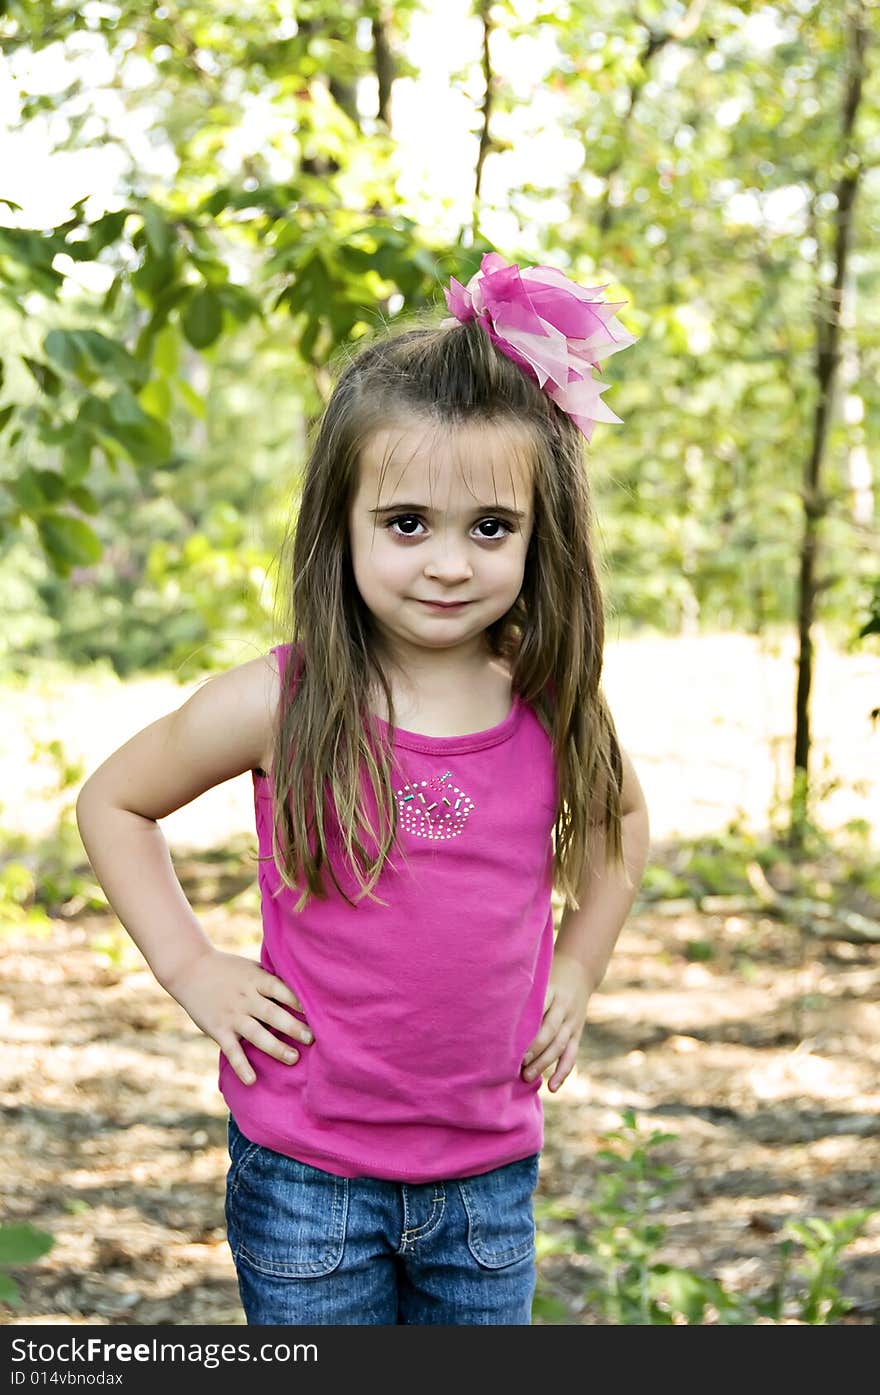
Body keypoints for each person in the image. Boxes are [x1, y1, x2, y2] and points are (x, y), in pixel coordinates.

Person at [76, 252, 651, 1326]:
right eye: (405, 524)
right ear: (340, 525)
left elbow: (619, 828)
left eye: (490, 528)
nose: (446, 563)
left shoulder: (549, 702)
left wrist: (579, 962)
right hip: (308, 1177)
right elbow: (113, 802)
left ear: (540, 535)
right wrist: (190, 966)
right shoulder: (279, 702)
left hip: (487, 1178)